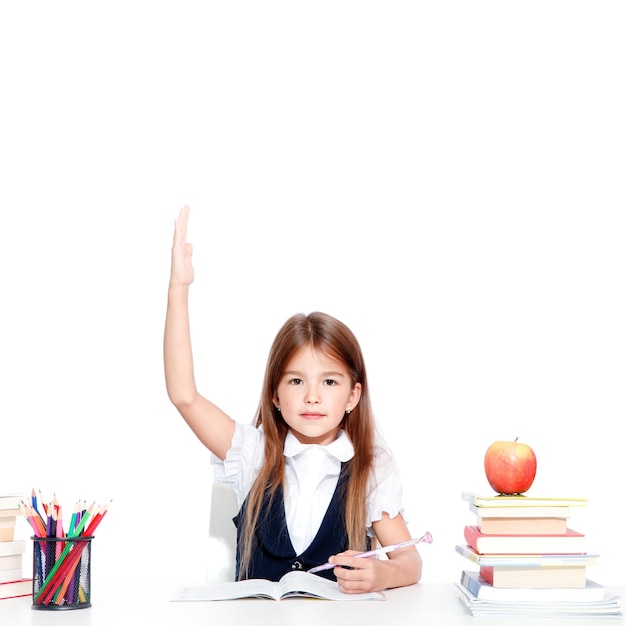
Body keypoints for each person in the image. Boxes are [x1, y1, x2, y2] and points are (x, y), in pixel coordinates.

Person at [164, 206, 422, 593]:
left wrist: (384, 573)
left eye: (330, 382)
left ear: (354, 395)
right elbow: (184, 396)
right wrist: (178, 289)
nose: (313, 396)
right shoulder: (251, 453)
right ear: (275, 395)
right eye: (297, 380)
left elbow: (410, 560)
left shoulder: (371, 467)